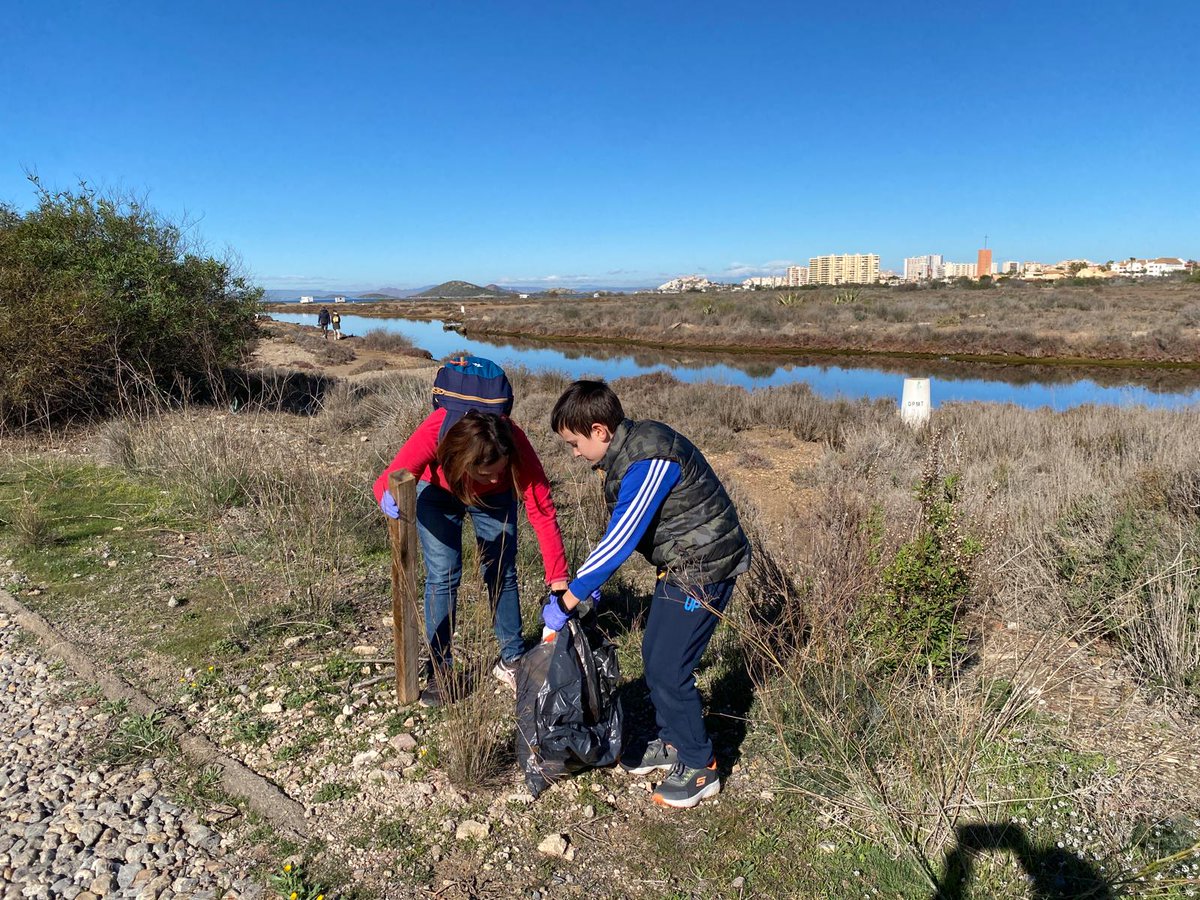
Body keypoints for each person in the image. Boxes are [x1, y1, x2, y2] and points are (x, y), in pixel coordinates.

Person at [545, 380, 750, 809]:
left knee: (668, 668)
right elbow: (623, 530)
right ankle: (674, 739)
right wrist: (589, 585)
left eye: (574, 444)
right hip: (682, 564)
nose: (575, 454)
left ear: (599, 431)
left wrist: (571, 598)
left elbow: (620, 540)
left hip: (705, 567)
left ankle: (700, 766)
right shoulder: (629, 452)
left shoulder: (650, 459)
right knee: (655, 654)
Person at [373, 409, 569, 708]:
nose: (494, 478)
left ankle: (512, 660)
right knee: (443, 575)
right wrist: (385, 495)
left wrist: (558, 580)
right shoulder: (437, 429)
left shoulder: (513, 441)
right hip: (438, 491)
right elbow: (391, 476)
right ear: (463, 459)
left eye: (501, 470)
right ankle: (440, 670)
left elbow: (542, 508)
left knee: (501, 570)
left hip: (496, 501)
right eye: (486, 473)